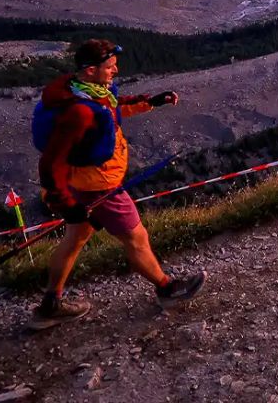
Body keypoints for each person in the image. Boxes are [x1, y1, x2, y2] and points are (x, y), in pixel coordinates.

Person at [28, 38, 205, 329]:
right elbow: (50, 164)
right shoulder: (80, 113)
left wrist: (151, 102)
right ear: (88, 71)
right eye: (109, 67)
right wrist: (66, 204)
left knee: (74, 240)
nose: (115, 71)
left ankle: (50, 305)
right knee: (137, 238)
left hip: (83, 186)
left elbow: (114, 111)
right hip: (101, 189)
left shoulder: (88, 93)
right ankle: (167, 289)